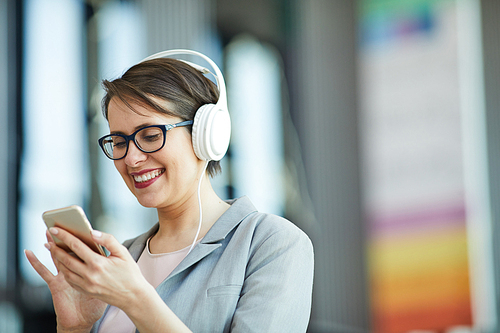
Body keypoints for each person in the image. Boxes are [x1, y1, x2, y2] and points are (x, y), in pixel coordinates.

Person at [25, 49, 314, 332]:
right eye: (119, 142)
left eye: (150, 136)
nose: (131, 159)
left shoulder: (270, 243)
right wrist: (75, 327)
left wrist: (137, 299)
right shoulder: (120, 260)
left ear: (205, 135)